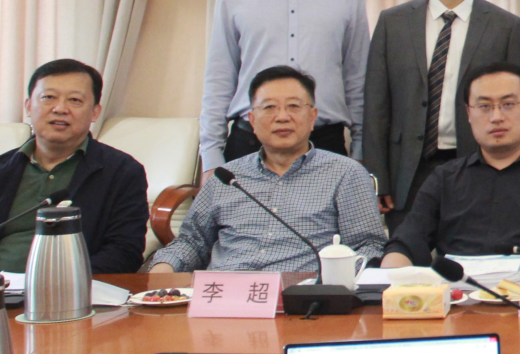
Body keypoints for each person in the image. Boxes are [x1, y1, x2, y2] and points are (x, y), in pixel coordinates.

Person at [364, 0, 520, 228]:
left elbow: (519, 110)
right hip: (407, 168)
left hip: (479, 163)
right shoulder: (393, 22)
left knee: (475, 249)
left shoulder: (505, 27)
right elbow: (376, 105)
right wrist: (377, 178)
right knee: (407, 252)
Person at [199, 0, 369, 180]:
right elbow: (219, 77)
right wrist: (211, 157)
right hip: (249, 143)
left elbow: (358, 79)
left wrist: (361, 151)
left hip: (325, 143)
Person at [152, 66, 385, 272]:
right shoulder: (227, 177)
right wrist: (163, 268)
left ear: (312, 117)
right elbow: (192, 242)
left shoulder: (346, 174)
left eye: (294, 106)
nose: (282, 117)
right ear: (252, 120)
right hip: (225, 294)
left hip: (302, 296)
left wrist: (334, 280)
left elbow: (368, 246)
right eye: (270, 107)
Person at [0, 59, 150, 274]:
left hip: (74, 289)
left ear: (95, 112)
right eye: (49, 97)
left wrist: (56, 281)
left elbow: (125, 253)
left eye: (75, 100)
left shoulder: (122, 172)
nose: (60, 109)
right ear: (29, 106)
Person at [382, 63, 520, 270]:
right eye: (484, 106)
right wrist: (390, 276)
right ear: (468, 113)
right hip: (459, 292)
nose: (496, 117)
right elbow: (405, 243)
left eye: (508, 104)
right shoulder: (445, 178)